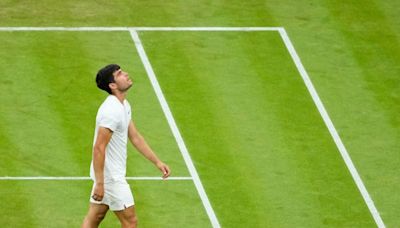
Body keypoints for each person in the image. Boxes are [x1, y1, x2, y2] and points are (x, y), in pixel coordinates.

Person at [82, 64, 171, 228]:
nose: (126, 74)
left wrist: (157, 162)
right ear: (112, 85)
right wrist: (101, 184)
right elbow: (98, 148)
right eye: (120, 74)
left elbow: (135, 137)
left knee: (95, 216)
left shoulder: (123, 105)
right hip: (111, 178)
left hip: (107, 176)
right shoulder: (111, 111)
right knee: (130, 222)